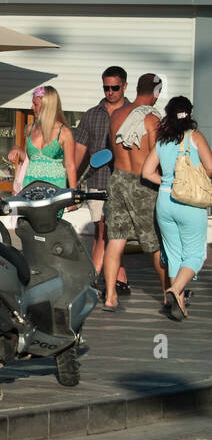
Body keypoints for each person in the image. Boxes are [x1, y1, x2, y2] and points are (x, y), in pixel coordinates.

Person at [142, 97, 212, 321]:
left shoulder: (162, 141)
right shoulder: (195, 137)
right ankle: (177, 288)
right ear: (189, 113)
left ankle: (178, 300)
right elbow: (210, 169)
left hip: (165, 202)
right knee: (196, 254)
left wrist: (168, 181)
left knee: (173, 254)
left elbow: (146, 172)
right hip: (190, 203)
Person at [101, 73, 166, 310]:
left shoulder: (117, 115)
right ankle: (168, 295)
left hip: (118, 179)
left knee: (115, 240)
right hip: (143, 184)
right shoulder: (151, 120)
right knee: (156, 242)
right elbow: (158, 157)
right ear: (156, 92)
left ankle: (110, 295)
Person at [76, 67, 132, 289]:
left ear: (125, 86)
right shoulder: (92, 114)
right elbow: (80, 150)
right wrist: (72, 181)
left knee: (114, 231)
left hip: (125, 182)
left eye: (114, 88)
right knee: (103, 230)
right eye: (106, 87)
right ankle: (102, 278)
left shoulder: (133, 113)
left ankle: (114, 277)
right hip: (98, 181)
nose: (110, 92)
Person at [25, 86, 77, 189]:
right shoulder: (30, 129)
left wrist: (73, 195)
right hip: (30, 187)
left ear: (46, 106)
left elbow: (70, 166)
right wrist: (16, 149)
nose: (31, 107)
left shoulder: (64, 133)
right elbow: (27, 159)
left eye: (35, 104)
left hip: (54, 190)